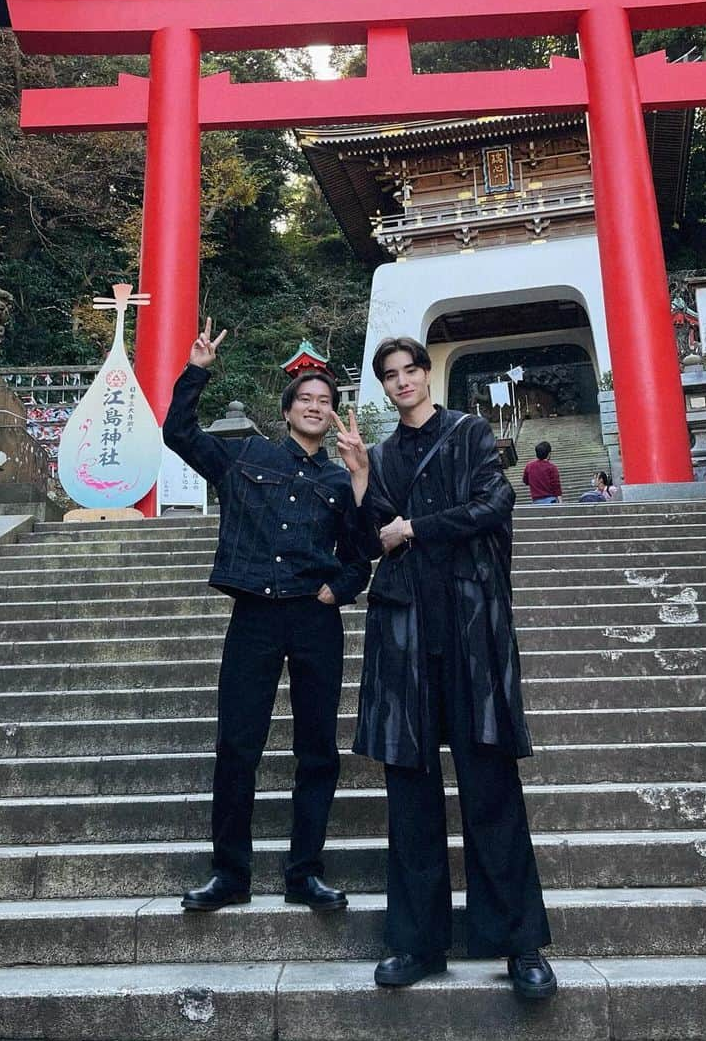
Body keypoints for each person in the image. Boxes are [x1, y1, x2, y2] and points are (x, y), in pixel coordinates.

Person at [332, 335, 555, 1000]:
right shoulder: (378, 454)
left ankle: (521, 946)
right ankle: (417, 942)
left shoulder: (467, 434)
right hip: (405, 638)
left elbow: (495, 505)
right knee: (410, 798)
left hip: (468, 635)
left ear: (428, 375)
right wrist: (361, 483)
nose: (402, 382)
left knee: (491, 791)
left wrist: (416, 528)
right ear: (384, 386)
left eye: (410, 371)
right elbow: (369, 540)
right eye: (390, 375)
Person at [162, 318, 372, 913]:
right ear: (287, 411)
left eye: (324, 401)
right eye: (304, 399)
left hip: (314, 618)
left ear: (334, 415)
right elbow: (179, 433)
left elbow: (364, 549)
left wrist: (341, 585)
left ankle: (305, 872)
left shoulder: (340, 476)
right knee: (237, 744)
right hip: (254, 614)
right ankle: (230, 874)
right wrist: (196, 369)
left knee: (318, 750)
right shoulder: (244, 456)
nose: (314, 407)